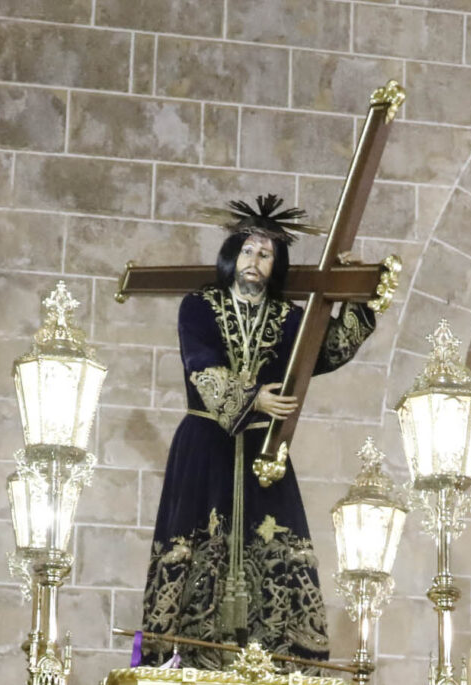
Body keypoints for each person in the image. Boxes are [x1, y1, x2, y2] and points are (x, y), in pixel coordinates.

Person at [138, 196, 382, 661]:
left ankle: (277, 657)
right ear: (232, 255)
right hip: (206, 441)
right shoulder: (200, 306)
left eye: (266, 254)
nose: (255, 261)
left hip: (265, 449)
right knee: (191, 543)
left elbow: (325, 352)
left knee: (274, 541)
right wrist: (253, 399)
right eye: (248, 250)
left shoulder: (289, 316)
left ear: (277, 264)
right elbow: (200, 364)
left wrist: (354, 292)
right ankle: (179, 655)